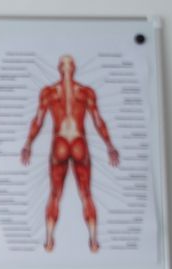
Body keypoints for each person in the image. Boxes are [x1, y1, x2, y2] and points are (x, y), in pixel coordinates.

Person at [20, 54, 119, 253]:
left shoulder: (49, 92)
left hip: (60, 143)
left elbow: (38, 121)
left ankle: (48, 241)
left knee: (55, 194)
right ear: (73, 68)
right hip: (79, 142)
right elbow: (98, 121)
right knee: (86, 194)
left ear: (59, 68)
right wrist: (109, 145)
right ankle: (93, 241)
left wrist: (28, 143)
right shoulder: (85, 92)